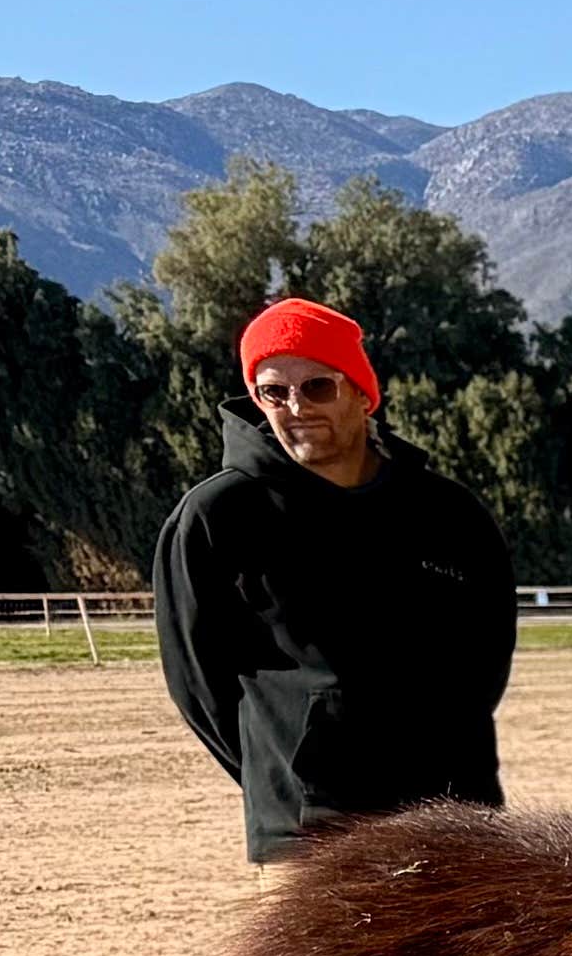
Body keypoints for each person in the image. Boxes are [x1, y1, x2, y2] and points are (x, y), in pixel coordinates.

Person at [152, 294, 515, 864]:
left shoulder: (450, 515)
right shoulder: (219, 516)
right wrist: (292, 775)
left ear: (362, 393)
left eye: (317, 386)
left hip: (456, 818)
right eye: (273, 392)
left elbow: (485, 662)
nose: (296, 406)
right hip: (314, 834)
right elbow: (200, 685)